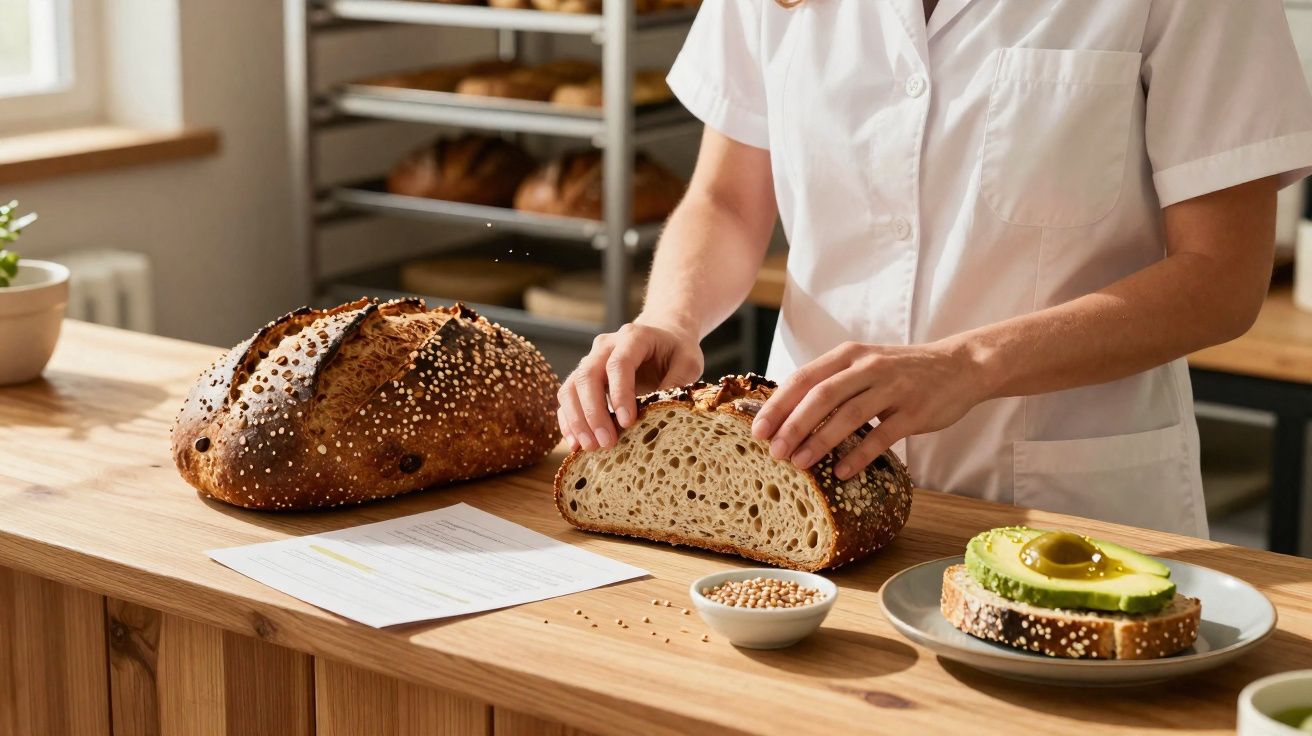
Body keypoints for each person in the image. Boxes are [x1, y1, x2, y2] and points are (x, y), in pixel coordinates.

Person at [556, 0, 1312, 536]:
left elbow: (1221, 277)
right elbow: (726, 200)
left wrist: (968, 364)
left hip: (1071, 508)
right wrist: (672, 319)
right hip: (806, 492)